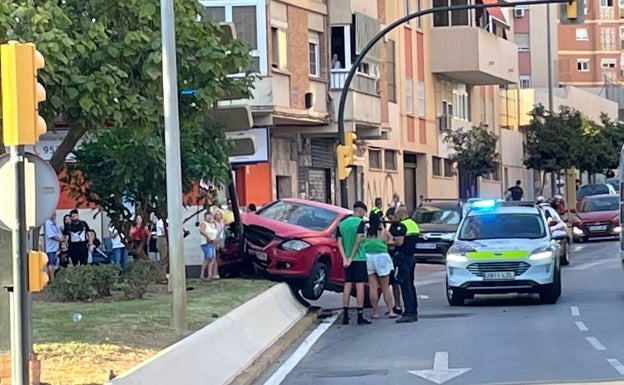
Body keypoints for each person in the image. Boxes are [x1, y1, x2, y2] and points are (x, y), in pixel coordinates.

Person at [337, 201, 371, 325]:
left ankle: (345, 315)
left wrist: (345, 258)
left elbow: (339, 242)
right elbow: (358, 241)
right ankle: (360, 315)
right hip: (359, 258)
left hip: (346, 259)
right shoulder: (360, 223)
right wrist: (351, 256)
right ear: (361, 211)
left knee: (347, 284)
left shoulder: (342, 223)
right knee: (359, 285)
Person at [387, 207, 420, 323]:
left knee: (405, 286)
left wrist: (389, 242)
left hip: (403, 258)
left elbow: (399, 242)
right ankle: (413, 310)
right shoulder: (413, 224)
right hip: (411, 258)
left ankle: (408, 313)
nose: (396, 219)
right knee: (411, 285)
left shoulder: (402, 225)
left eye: (396, 216)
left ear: (400, 215)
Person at [362, 214, 398, 319]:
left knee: (373, 287)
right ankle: (390, 310)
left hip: (368, 257)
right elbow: (392, 241)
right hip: (381, 257)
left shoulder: (366, 233)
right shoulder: (383, 232)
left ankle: (375, 312)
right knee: (385, 287)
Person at [385, 207, 403, 316]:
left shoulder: (399, 227)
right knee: (392, 283)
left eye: (391, 218)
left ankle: (398, 305)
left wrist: (390, 242)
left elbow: (396, 241)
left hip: (396, 257)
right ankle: (396, 305)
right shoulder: (393, 226)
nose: (390, 220)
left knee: (396, 283)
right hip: (391, 256)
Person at [43, 213, 64, 280]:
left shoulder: (54, 223)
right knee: (50, 264)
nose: (54, 215)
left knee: (54, 264)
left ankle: (52, 278)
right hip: (50, 248)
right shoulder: (47, 223)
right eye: (52, 214)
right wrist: (61, 240)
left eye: (55, 214)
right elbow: (51, 235)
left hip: (55, 248)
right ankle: (51, 279)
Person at [199, 212, 219, 280]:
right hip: (206, 243)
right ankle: (203, 274)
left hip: (212, 243)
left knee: (212, 258)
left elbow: (216, 231)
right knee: (209, 258)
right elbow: (201, 231)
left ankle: (209, 274)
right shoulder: (204, 223)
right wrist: (207, 237)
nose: (209, 218)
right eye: (208, 216)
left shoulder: (213, 224)